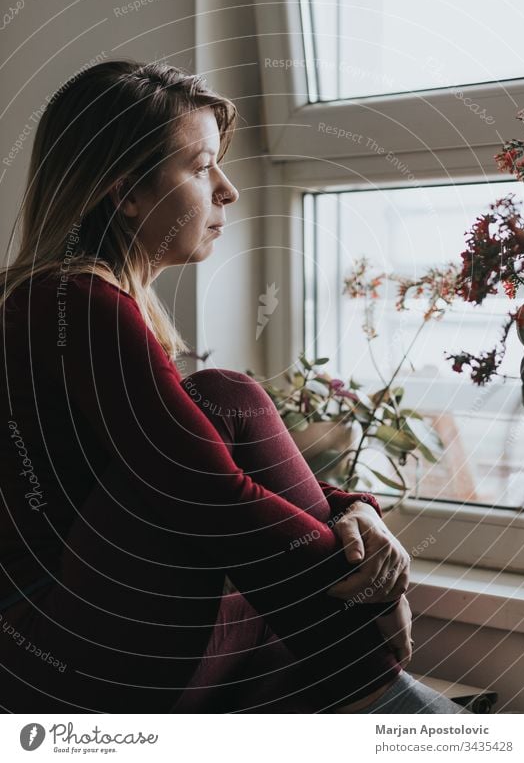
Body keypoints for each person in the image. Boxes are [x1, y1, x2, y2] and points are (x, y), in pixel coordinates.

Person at [0, 60, 463, 714]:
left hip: (90, 634)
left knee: (223, 412)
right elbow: (203, 487)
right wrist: (370, 592)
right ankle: (390, 698)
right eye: (201, 166)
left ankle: (378, 700)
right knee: (226, 396)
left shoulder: (82, 301)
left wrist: (352, 508)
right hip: (52, 654)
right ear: (126, 191)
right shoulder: (69, 301)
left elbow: (194, 462)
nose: (228, 191)